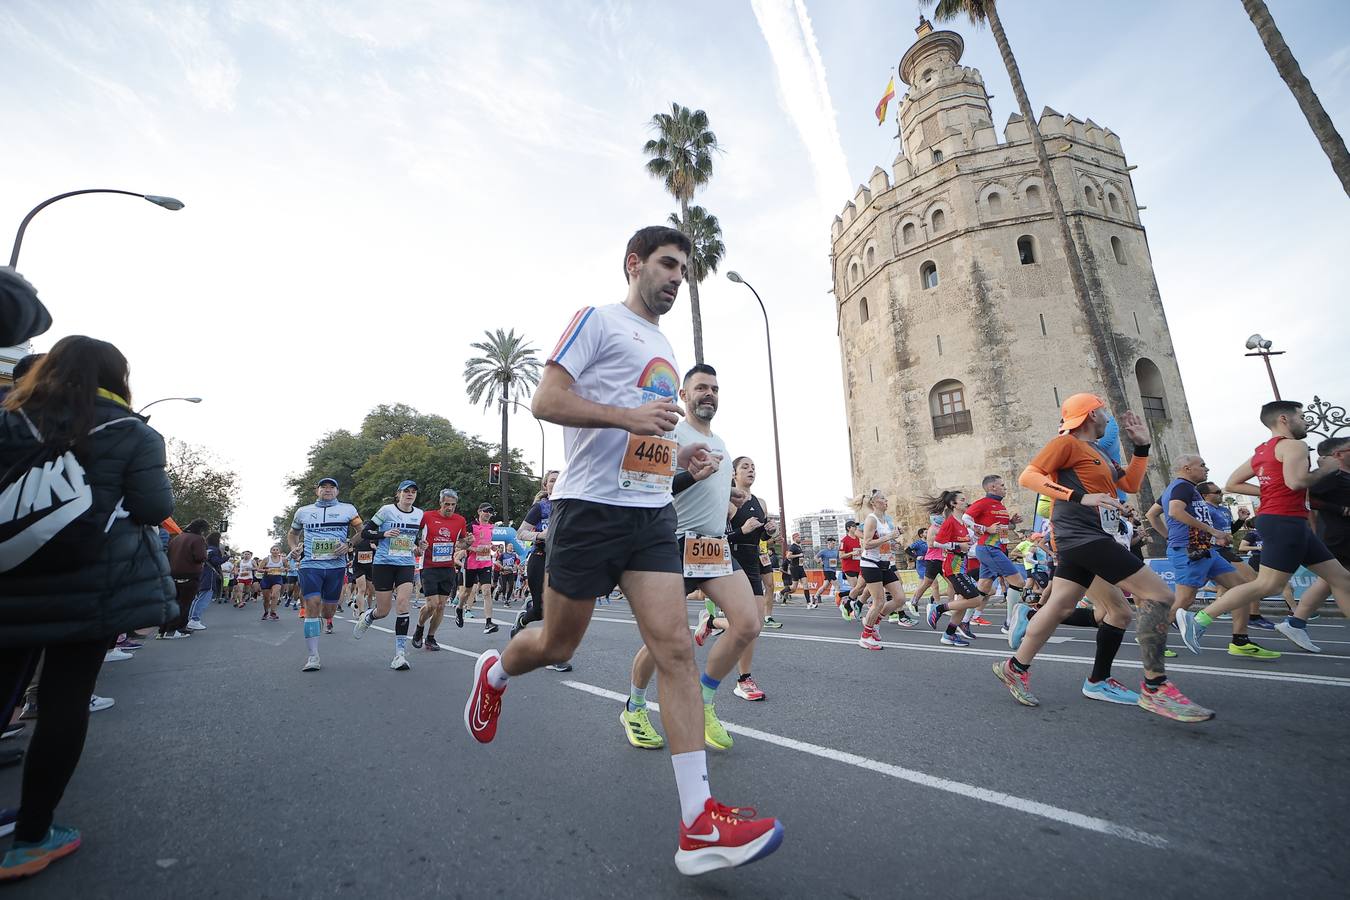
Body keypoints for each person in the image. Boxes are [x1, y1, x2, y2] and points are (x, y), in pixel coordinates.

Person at [462, 225, 781, 874]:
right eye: (666, 264)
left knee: (675, 652)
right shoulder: (598, 321)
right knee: (557, 643)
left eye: (683, 271)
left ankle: (698, 822)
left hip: (648, 516)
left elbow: (649, 444)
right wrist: (628, 418)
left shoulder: (664, 345)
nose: (675, 277)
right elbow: (546, 400)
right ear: (634, 263)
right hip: (587, 512)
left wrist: (677, 457)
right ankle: (495, 672)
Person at [0, 335, 175, 880]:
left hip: (7, 582)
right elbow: (153, 507)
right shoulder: (132, 433)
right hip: (89, 586)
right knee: (63, 704)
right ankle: (31, 837)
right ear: (117, 379)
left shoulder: (7, 421)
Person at [995, 393, 1212, 721]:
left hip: (1089, 537)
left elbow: (1130, 483)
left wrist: (1141, 448)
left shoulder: (1096, 451)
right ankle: (1154, 687)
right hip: (1082, 536)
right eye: (1103, 412)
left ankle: (1017, 667)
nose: (1109, 418)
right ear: (1090, 414)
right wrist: (1080, 497)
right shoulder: (1065, 443)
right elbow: (1028, 477)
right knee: (1159, 595)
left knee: (1065, 607)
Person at [623, 364, 762, 753]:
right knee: (664, 640)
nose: (709, 394)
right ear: (683, 396)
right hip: (673, 544)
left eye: (715, 389)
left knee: (749, 624)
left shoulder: (721, 441)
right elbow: (650, 482)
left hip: (715, 547)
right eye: (701, 388)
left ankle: (704, 701)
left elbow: (712, 490)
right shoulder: (669, 432)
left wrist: (729, 497)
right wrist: (694, 478)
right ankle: (634, 707)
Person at [1176, 402, 1350, 654]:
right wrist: (1326, 469)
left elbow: (1232, 483)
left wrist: (1268, 493)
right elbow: (1297, 481)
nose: (1306, 422)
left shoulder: (1262, 451)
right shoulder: (1294, 446)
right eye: (1301, 417)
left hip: (1286, 519)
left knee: (1341, 578)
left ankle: (1295, 623)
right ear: (1284, 419)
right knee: (1268, 585)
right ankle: (1199, 619)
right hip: (1285, 520)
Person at [1144, 458, 1278, 659]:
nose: (1207, 468)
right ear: (1187, 468)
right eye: (1202, 465)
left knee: (1241, 590)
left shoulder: (1182, 488)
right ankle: (1150, 637)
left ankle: (1240, 641)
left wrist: (1169, 536)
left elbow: (1152, 514)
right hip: (1190, 550)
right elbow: (1174, 511)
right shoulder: (1182, 486)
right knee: (1185, 600)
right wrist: (1211, 531)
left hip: (1206, 550)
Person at [288, 477, 363, 672]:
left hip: (336, 566)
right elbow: (292, 534)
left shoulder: (348, 509)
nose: (328, 490)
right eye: (324, 487)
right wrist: (295, 547)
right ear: (317, 491)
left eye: (332, 487)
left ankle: (320, 620)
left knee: (328, 611)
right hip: (310, 565)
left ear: (337, 491)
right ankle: (313, 656)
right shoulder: (303, 511)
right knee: (311, 604)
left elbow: (361, 531)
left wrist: (348, 545)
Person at [353, 481, 426, 670]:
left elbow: (415, 541)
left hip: (406, 564)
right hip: (384, 564)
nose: (409, 494)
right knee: (383, 611)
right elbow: (366, 532)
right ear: (398, 494)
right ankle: (369, 616)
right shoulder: (386, 510)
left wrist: (420, 548)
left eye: (413, 492)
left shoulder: (419, 515)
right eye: (406, 491)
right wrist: (384, 534)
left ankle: (400, 655)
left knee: (403, 603)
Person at [724, 457, 776, 697]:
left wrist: (768, 531)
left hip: (753, 563)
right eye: (745, 466)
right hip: (734, 564)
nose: (751, 470)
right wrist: (742, 530)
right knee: (747, 624)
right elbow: (720, 537)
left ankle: (711, 623)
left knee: (756, 625)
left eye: (754, 466)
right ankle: (744, 679)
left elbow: (762, 539)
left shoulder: (761, 502)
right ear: (733, 473)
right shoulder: (727, 500)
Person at [854, 489, 915, 651]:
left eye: (886, 499)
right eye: (883, 499)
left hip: (885, 563)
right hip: (870, 564)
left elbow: (883, 543)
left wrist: (893, 542)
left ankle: (874, 624)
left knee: (900, 598)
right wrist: (888, 537)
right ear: (874, 503)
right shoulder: (871, 520)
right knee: (878, 601)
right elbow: (867, 544)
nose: (886, 501)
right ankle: (865, 636)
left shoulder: (885, 520)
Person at [923, 490, 986, 645]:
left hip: (962, 566)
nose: (966, 502)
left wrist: (976, 536)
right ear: (953, 504)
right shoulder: (950, 522)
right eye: (962, 500)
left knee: (964, 602)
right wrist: (957, 545)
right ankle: (939, 609)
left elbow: (967, 544)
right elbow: (935, 543)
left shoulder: (962, 523)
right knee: (976, 599)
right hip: (953, 567)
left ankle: (948, 634)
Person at [964, 476, 1027, 629]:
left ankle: (962, 622)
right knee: (1018, 582)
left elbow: (1003, 529)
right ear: (993, 487)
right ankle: (1009, 624)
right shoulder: (983, 503)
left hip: (996, 548)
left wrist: (1012, 523)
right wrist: (986, 529)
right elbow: (966, 519)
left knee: (984, 587)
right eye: (1002, 485)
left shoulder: (1000, 505)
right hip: (989, 548)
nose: (1005, 488)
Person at [414, 488, 467, 652]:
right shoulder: (427, 516)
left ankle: (430, 637)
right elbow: (413, 534)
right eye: (446, 504)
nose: (450, 508)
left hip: (447, 567)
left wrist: (468, 542)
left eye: (453, 504)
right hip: (429, 566)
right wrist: (418, 545)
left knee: (441, 606)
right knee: (432, 604)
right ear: (440, 503)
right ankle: (419, 627)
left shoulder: (460, 520)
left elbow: (463, 542)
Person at [456, 504, 500, 634]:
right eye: (485, 511)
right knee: (467, 592)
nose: (488, 514)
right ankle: (459, 608)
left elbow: (487, 542)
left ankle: (488, 622)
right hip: (471, 564)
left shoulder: (492, 527)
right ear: (479, 511)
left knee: (486, 591)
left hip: (485, 563)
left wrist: (491, 547)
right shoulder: (471, 526)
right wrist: (475, 549)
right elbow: (460, 544)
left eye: (490, 512)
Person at [163, 519, 209, 638]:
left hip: (172, 574)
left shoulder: (177, 538)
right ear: (202, 530)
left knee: (173, 602)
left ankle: (164, 630)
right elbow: (200, 556)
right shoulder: (197, 539)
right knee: (184, 603)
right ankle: (176, 629)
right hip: (189, 574)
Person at [187, 532, 225, 630]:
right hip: (210, 575)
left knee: (197, 598)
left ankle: (190, 619)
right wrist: (226, 557)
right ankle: (195, 620)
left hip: (201, 574)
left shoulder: (205, 549)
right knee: (204, 598)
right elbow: (216, 561)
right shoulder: (215, 550)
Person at [816, 537, 839, 604]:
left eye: (835, 543)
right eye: (833, 543)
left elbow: (838, 559)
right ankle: (838, 600)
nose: (834, 544)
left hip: (833, 570)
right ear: (828, 543)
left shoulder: (836, 551)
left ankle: (816, 596)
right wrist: (819, 562)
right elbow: (816, 557)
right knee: (837, 585)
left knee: (825, 586)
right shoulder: (824, 551)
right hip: (827, 570)